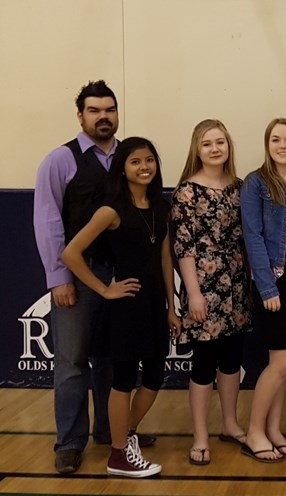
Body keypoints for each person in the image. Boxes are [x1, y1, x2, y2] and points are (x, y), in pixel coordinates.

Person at [33, 80, 152, 474]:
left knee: (112, 359)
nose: (104, 117)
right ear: (80, 115)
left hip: (120, 276)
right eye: (94, 111)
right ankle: (69, 442)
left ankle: (110, 431)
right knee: (71, 361)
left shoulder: (128, 158)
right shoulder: (60, 160)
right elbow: (48, 219)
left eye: (110, 110)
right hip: (78, 275)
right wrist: (58, 276)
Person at [61, 137, 179, 477]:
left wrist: (172, 306)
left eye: (149, 161)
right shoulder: (110, 210)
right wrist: (103, 290)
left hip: (154, 305)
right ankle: (118, 454)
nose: (144, 167)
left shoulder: (161, 206)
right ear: (123, 169)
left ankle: (124, 435)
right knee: (123, 380)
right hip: (125, 306)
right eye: (135, 162)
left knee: (155, 378)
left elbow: (164, 258)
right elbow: (70, 253)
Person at [171, 120, 252, 465]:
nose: (215, 148)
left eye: (220, 142)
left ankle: (230, 424)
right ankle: (200, 435)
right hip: (202, 286)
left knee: (232, 359)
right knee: (204, 362)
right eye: (207, 144)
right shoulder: (186, 192)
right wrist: (193, 293)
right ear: (197, 149)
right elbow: (183, 247)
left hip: (235, 284)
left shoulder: (241, 186)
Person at [239, 118, 286, 462]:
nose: (283, 145)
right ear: (267, 144)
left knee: (285, 362)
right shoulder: (256, 183)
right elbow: (252, 236)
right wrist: (267, 286)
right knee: (281, 360)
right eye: (275, 140)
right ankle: (254, 431)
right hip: (275, 278)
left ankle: (274, 429)